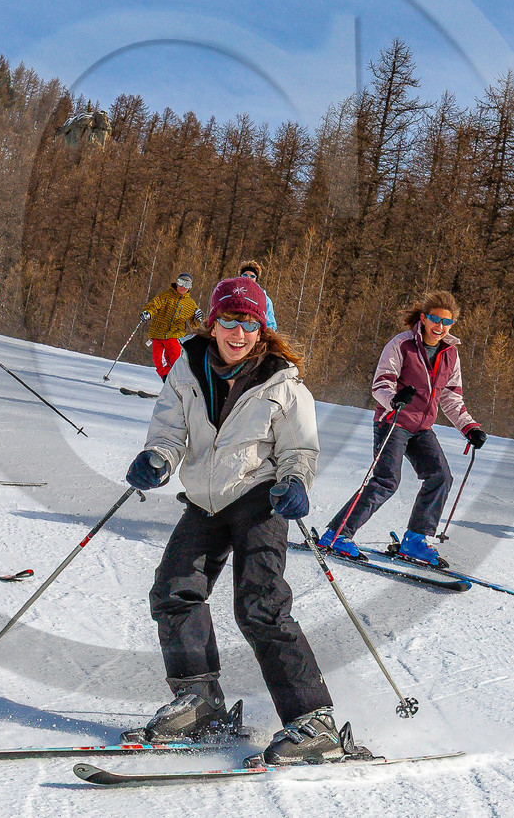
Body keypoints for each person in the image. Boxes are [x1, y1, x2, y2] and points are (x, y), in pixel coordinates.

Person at [123, 277, 369, 766]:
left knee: (260, 607)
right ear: (213, 323)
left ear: (263, 330)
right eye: (230, 321)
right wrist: (156, 458)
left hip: (261, 498)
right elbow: (170, 432)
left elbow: (299, 449)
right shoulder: (186, 370)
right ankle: (200, 701)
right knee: (174, 591)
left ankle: (311, 720)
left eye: (249, 324)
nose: (238, 333)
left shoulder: (284, 383)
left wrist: (296, 482)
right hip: (205, 500)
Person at [318, 291, 487, 566]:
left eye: (447, 322)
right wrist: (394, 399)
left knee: (440, 476)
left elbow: (451, 397)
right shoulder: (402, 344)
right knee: (386, 480)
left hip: (422, 428)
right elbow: (381, 382)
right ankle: (337, 535)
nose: (440, 327)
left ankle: (415, 540)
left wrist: (469, 427)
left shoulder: (450, 354)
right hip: (393, 421)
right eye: (435, 319)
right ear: (423, 318)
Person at [141, 272, 203, 379]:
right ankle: (166, 380)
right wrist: (148, 312)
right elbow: (154, 304)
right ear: (177, 283)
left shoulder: (190, 304)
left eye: (187, 285)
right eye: (181, 283)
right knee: (158, 361)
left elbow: (195, 324)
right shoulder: (166, 296)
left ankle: (176, 382)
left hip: (174, 335)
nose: (183, 287)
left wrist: (199, 318)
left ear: (190, 288)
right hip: (158, 333)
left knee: (175, 360)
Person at [238, 260, 279, 330]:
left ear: (256, 279)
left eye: (252, 276)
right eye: (245, 275)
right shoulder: (232, 293)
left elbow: (271, 324)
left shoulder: (264, 299)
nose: (248, 278)